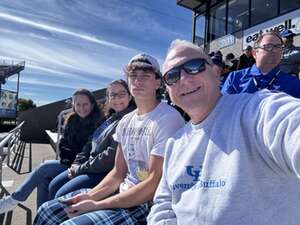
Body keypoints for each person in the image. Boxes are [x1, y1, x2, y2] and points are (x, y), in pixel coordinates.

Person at [147, 39, 300, 225]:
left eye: (194, 66)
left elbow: (290, 125)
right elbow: (163, 206)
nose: (185, 79)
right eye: (172, 76)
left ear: (216, 72)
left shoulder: (256, 111)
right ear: (168, 90)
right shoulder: (174, 143)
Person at [33, 53, 185, 225]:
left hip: (146, 203)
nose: (138, 81)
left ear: (158, 82)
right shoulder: (126, 121)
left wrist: (97, 204)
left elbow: (153, 183)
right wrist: (89, 196)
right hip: (121, 193)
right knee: (46, 212)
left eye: (146, 76)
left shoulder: (167, 118)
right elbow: (117, 173)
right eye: (133, 76)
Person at [0, 89, 101, 213]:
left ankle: (14, 199)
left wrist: (71, 155)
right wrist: (68, 155)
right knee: (43, 179)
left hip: (85, 167)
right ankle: (41, 214)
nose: (81, 108)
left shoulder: (99, 122)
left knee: (44, 168)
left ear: (92, 104)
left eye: (85, 104)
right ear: (73, 105)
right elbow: (63, 145)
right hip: (68, 163)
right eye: (78, 104)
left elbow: (88, 151)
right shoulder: (71, 119)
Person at [48, 79, 136, 199]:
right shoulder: (110, 118)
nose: (117, 98)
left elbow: (109, 158)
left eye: (121, 94)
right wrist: (77, 162)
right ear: (108, 98)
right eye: (112, 95)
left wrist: (79, 169)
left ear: (130, 96)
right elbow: (90, 142)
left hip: (103, 173)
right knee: (53, 185)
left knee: (60, 193)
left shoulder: (129, 120)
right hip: (88, 165)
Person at [222, 31, 300, 98]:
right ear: (255, 53)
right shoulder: (235, 78)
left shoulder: (295, 84)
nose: (275, 50)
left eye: (278, 47)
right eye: (268, 46)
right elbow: (224, 109)